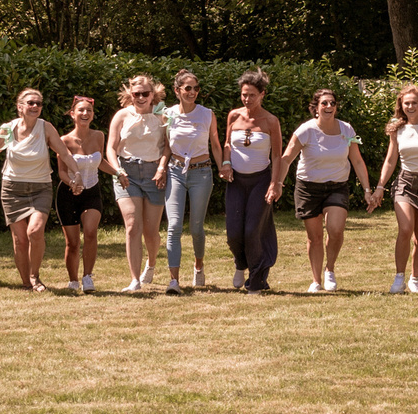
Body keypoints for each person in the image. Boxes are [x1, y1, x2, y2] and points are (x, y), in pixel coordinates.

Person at [0, 88, 70, 291]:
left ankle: (35, 276)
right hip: (12, 189)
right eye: (31, 103)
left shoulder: (46, 128)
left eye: (38, 103)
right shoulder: (8, 129)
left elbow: (63, 152)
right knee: (20, 240)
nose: (35, 106)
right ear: (20, 107)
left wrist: (77, 174)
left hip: (40, 187)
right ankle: (26, 283)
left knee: (35, 231)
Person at [273, 89, 379, 291]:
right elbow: (286, 158)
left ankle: (329, 270)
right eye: (324, 103)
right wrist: (277, 183)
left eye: (332, 103)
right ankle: (316, 281)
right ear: (316, 108)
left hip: (337, 186)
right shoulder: (306, 130)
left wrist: (367, 190)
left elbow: (356, 160)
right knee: (315, 238)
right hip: (308, 188)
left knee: (336, 230)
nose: (329, 107)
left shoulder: (346, 130)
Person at [374, 83, 418, 294]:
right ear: (401, 105)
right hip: (405, 183)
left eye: (414, 102)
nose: (411, 106)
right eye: (407, 103)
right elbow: (390, 160)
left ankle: (415, 278)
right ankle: (399, 277)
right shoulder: (397, 128)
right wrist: (380, 187)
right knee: (405, 229)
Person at [161, 69, 224, 294]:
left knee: (196, 227)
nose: (193, 92)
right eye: (188, 88)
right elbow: (165, 145)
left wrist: (223, 166)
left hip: (202, 172)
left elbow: (215, 144)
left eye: (196, 88)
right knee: (174, 226)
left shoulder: (207, 114)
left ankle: (198, 265)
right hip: (175, 171)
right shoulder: (167, 113)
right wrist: (161, 168)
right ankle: (174, 281)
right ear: (177, 90)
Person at [221, 70, 283, 292]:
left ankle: (257, 279)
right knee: (234, 232)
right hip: (236, 181)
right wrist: (225, 164)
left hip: (261, 181)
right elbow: (227, 143)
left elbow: (277, 156)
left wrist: (275, 183)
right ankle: (241, 263)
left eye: (252, 95)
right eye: (244, 94)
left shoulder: (270, 121)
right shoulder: (234, 116)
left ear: (262, 94)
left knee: (253, 231)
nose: (247, 99)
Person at [109, 73, 170, 293]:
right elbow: (111, 147)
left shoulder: (163, 114)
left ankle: (151, 264)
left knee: (151, 231)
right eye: (137, 94)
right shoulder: (122, 115)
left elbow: (168, 146)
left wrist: (162, 167)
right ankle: (134, 280)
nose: (141, 97)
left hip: (155, 173)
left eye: (145, 93)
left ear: (153, 94)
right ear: (130, 94)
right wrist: (117, 170)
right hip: (127, 173)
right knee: (133, 226)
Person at [57, 95, 108, 291]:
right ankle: (73, 280)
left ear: (93, 115)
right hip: (68, 194)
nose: (85, 113)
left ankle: (88, 277)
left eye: (89, 111)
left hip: (92, 192)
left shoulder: (99, 136)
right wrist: (72, 183)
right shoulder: (64, 141)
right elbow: (61, 171)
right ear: (72, 114)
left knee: (90, 232)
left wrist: (118, 173)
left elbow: (100, 161)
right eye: (81, 110)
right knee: (72, 242)